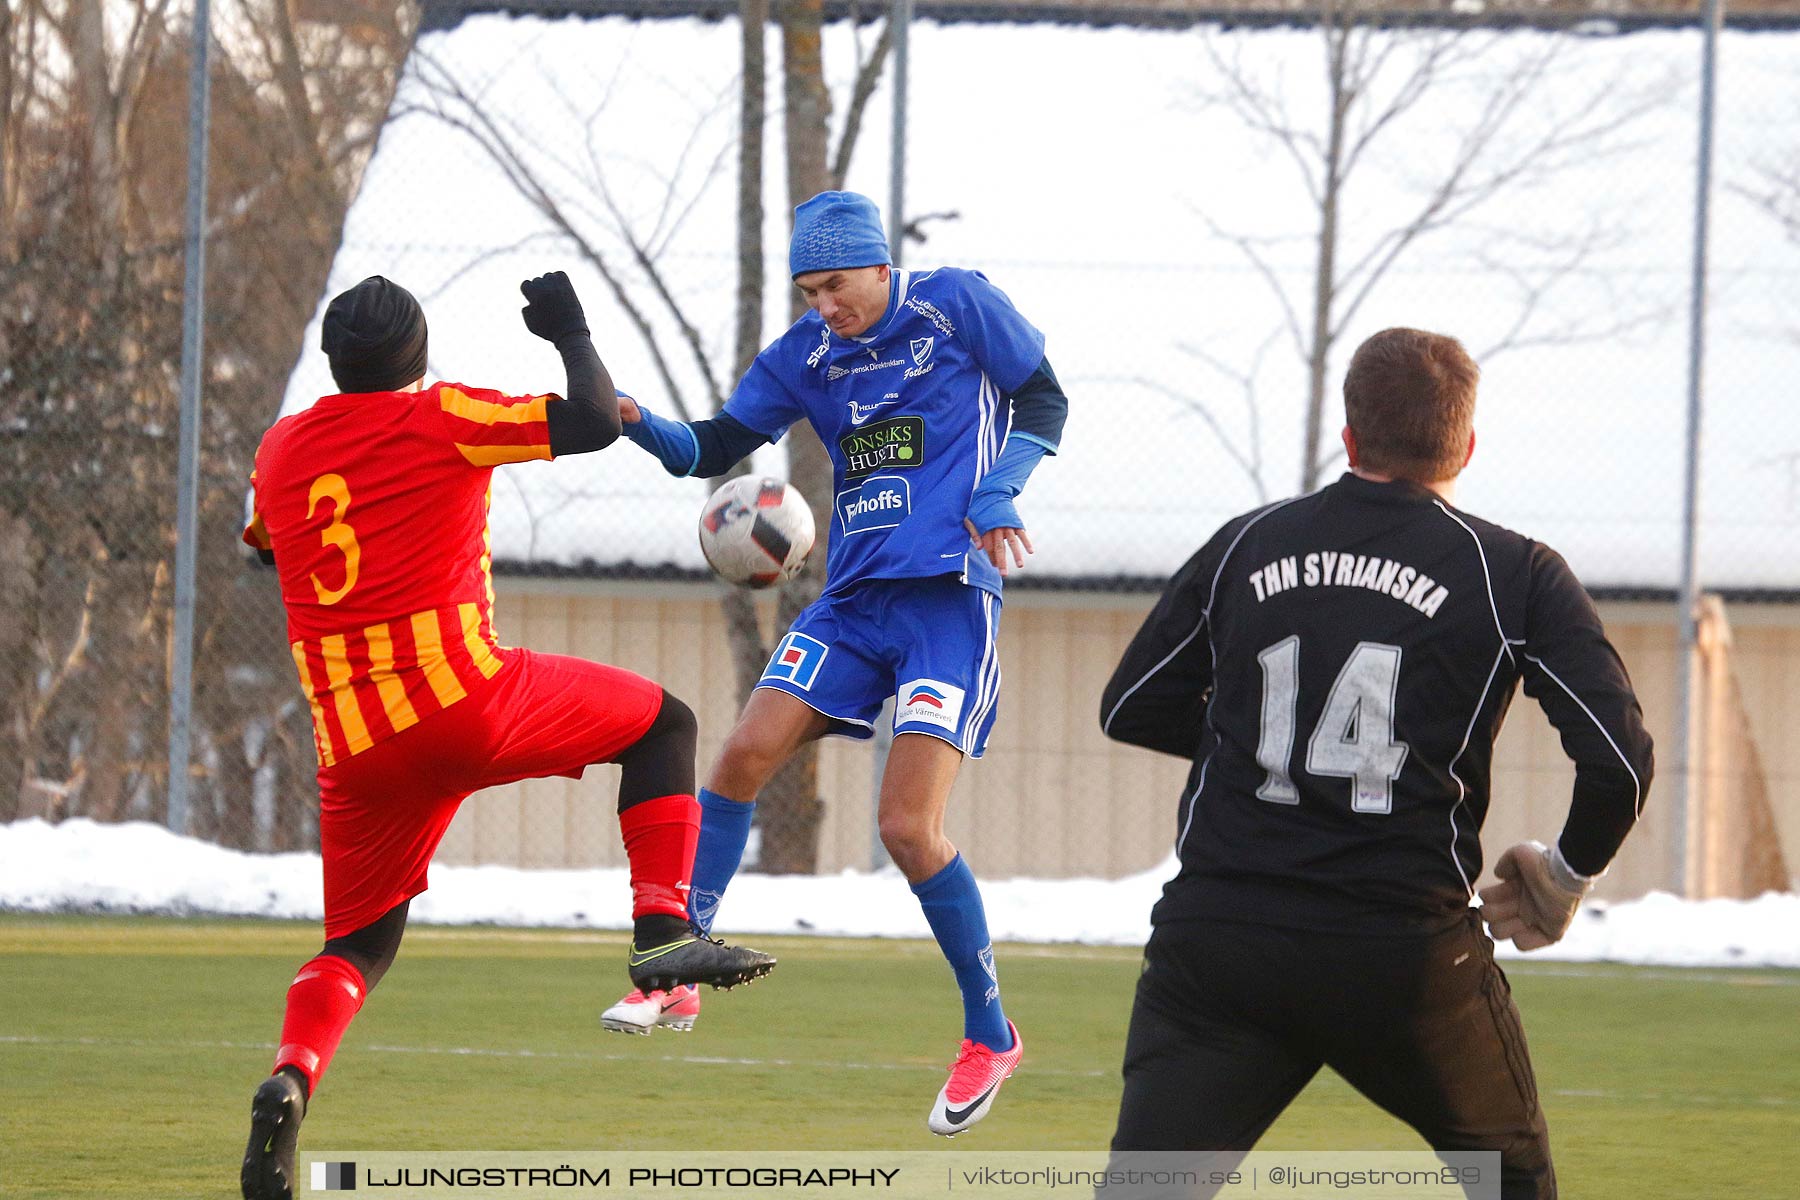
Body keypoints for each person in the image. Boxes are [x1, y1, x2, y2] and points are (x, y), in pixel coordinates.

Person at [237, 273, 776, 1200]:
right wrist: (568, 331)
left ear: (333, 361)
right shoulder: (445, 417)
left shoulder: (281, 449)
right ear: (417, 356)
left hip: (355, 745)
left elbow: (263, 546)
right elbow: (597, 419)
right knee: (665, 724)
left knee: (357, 946)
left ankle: (292, 1077)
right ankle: (660, 935)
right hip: (462, 700)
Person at [1098, 327, 1653, 1198]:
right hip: (1400, 956)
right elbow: (1618, 762)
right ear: (1465, 446)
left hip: (1223, 945)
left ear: (1350, 439)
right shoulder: (1516, 571)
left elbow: (1132, 706)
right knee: (1513, 1181)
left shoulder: (1248, 543)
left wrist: (1256, 749)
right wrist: (1565, 873)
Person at [600, 191, 1068, 1136]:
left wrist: (999, 488)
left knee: (905, 827)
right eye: (811, 290)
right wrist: (636, 420)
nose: (826, 305)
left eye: (838, 285)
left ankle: (991, 1034)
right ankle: (679, 964)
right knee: (740, 755)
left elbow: (1045, 397)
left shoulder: (955, 305)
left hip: (947, 600)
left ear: (878, 264)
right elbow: (715, 449)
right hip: (854, 602)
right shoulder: (806, 355)